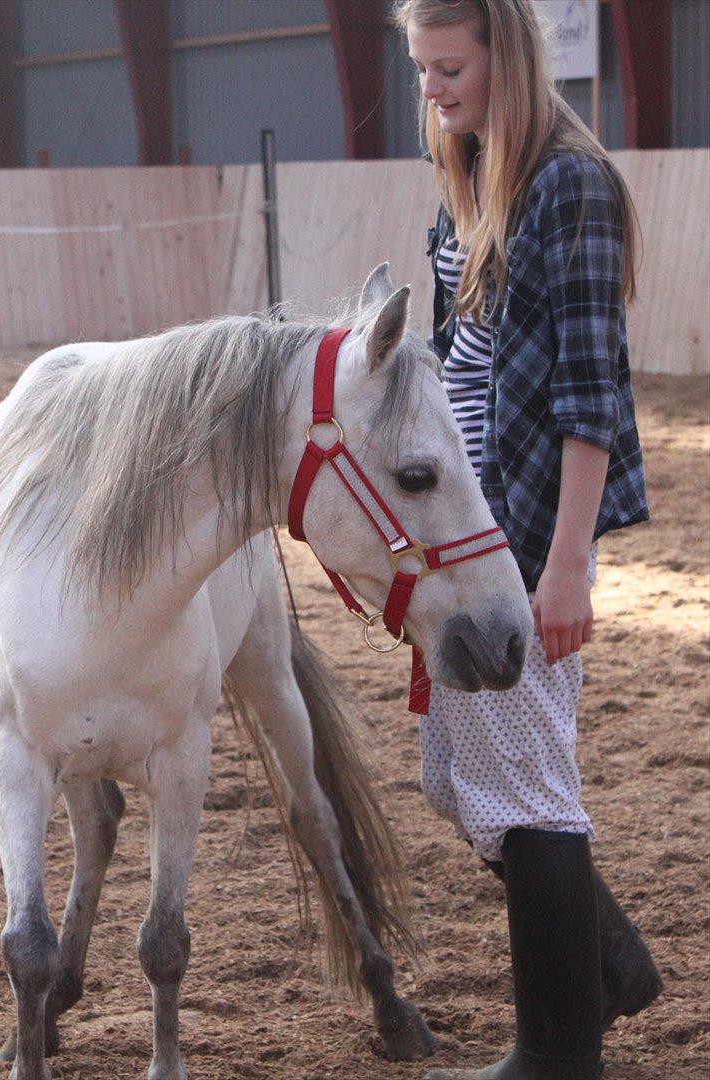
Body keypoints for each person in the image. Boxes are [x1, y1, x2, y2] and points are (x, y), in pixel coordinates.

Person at [390, 2, 663, 1077]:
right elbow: (458, 360)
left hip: (525, 537)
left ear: (506, 53)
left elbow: (592, 394)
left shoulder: (570, 186)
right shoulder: (469, 184)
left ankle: (557, 1053)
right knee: (458, 779)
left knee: (520, 786)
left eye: (447, 66)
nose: (431, 89)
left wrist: (564, 568)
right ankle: (607, 963)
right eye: (420, 68)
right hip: (468, 530)